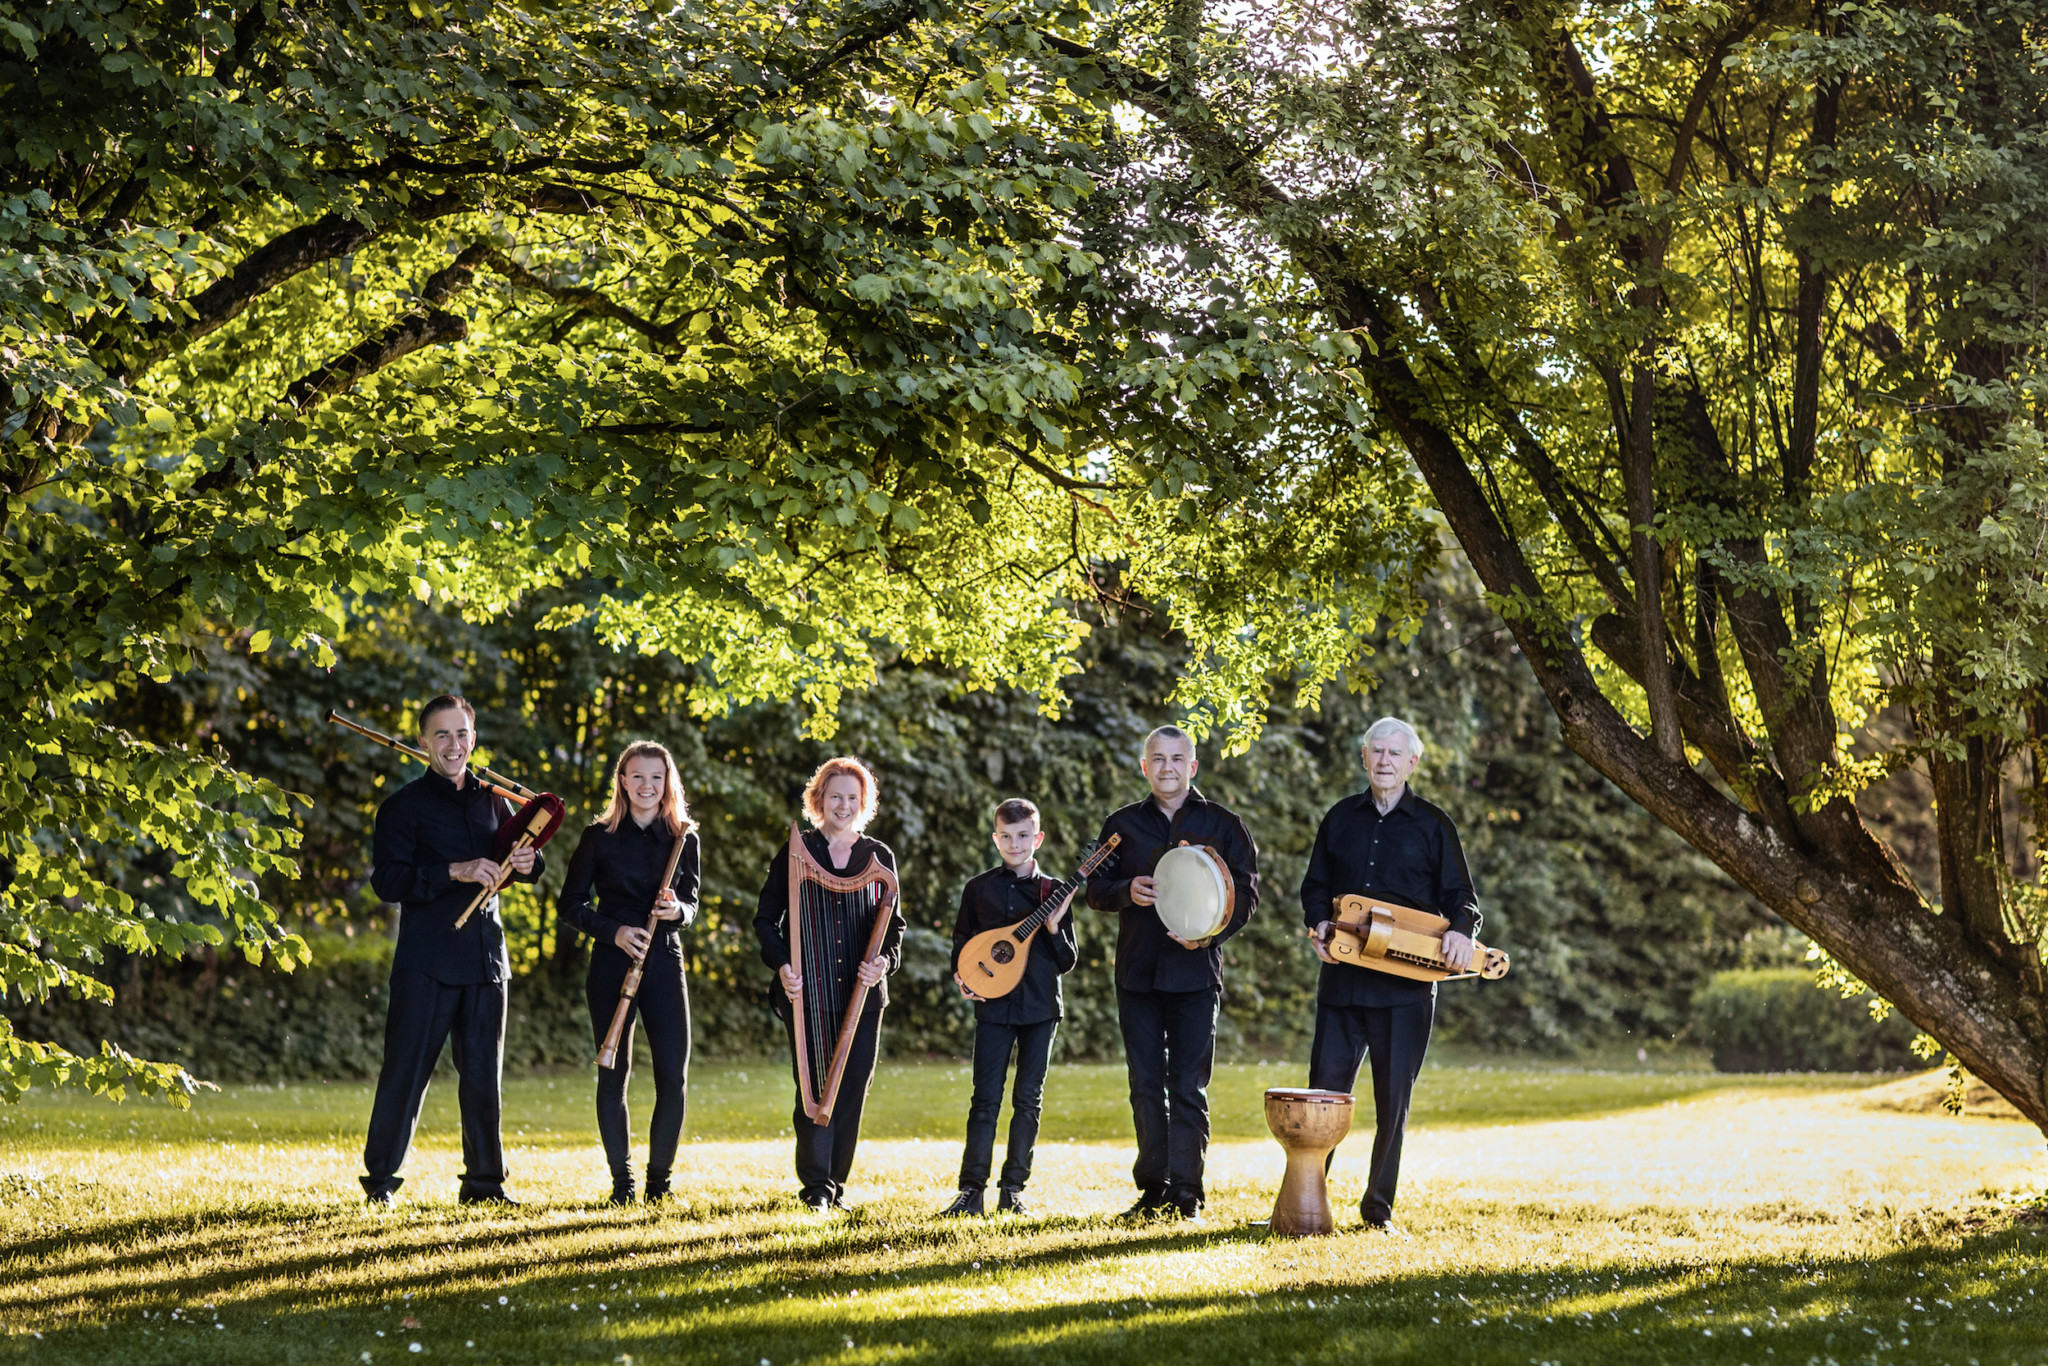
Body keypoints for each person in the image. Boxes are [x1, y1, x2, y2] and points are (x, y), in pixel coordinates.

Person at [1300, 716, 1479, 1234]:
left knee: (1392, 1102)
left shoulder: (1434, 825)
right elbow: (1315, 887)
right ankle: (1306, 1202)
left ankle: (1377, 1210)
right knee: (1324, 1099)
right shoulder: (1339, 818)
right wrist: (1318, 924)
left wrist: (1461, 932)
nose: (1384, 761)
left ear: (1412, 763)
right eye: (1375, 751)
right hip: (1342, 980)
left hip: (1405, 989)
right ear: (1364, 757)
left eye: (1394, 754)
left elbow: (1461, 897)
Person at [361, 695, 541, 1205]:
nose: (453, 744)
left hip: (486, 958)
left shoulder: (494, 799)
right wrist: (455, 871)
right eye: (441, 735)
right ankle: (380, 1183)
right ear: (422, 743)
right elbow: (389, 881)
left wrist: (528, 863)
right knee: (406, 1073)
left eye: (461, 734)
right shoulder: (400, 807)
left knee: (484, 1075)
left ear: (474, 739)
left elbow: (522, 859)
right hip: (426, 962)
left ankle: (485, 1185)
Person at [1085, 724, 1259, 1220]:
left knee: (1187, 1085)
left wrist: (1209, 936)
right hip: (1137, 974)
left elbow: (1246, 895)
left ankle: (1187, 1193)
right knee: (1144, 1083)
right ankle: (1152, 1191)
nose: (1167, 767)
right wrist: (1125, 891)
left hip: (1196, 975)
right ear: (1144, 766)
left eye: (1177, 759)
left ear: (1193, 766)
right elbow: (1093, 886)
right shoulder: (1119, 825)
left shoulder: (1225, 824)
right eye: (1157, 759)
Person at [754, 756, 905, 1211]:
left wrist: (883, 963)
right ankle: (816, 1186)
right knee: (813, 1084)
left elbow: (894, 927)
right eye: (835, 795)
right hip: (807, 991)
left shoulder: (879, 857)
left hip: (862, 996)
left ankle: (836, 1184)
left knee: (853, 1084)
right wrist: (782, 966)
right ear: (818, 800)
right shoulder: (798, 851)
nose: (843, 805)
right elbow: (765, 920)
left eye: (852, 798)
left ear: (865, 803)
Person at [558, 741, 701, 1206]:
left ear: (667, 782)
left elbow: (692, 904)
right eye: (637, 776)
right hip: (611, 962)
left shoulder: (684, 837)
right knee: (612, 1072)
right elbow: (570, 906)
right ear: (622, 780)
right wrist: (615, 931)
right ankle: (623, 1184)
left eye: (656, 777)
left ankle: (659, 1184)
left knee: (672, 1076)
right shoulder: (597, 836)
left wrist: (677, 909)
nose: (646, 785)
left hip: (664, 961)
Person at [939, 798, 1079, 1218]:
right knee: (984, 1099)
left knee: (1028, 1100)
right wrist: (962, 978)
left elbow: (1067, 960)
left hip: (1040, 1008)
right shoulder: (978, 889)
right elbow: (962, 944)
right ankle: (970, 1192)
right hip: (994, 1006)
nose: (1014, 844)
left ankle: (1013, 1190)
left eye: (1023, 836)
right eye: (1006, 836)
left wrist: (1054, 927)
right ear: (995, 837)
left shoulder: (1055, 892)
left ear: (1037, 838)